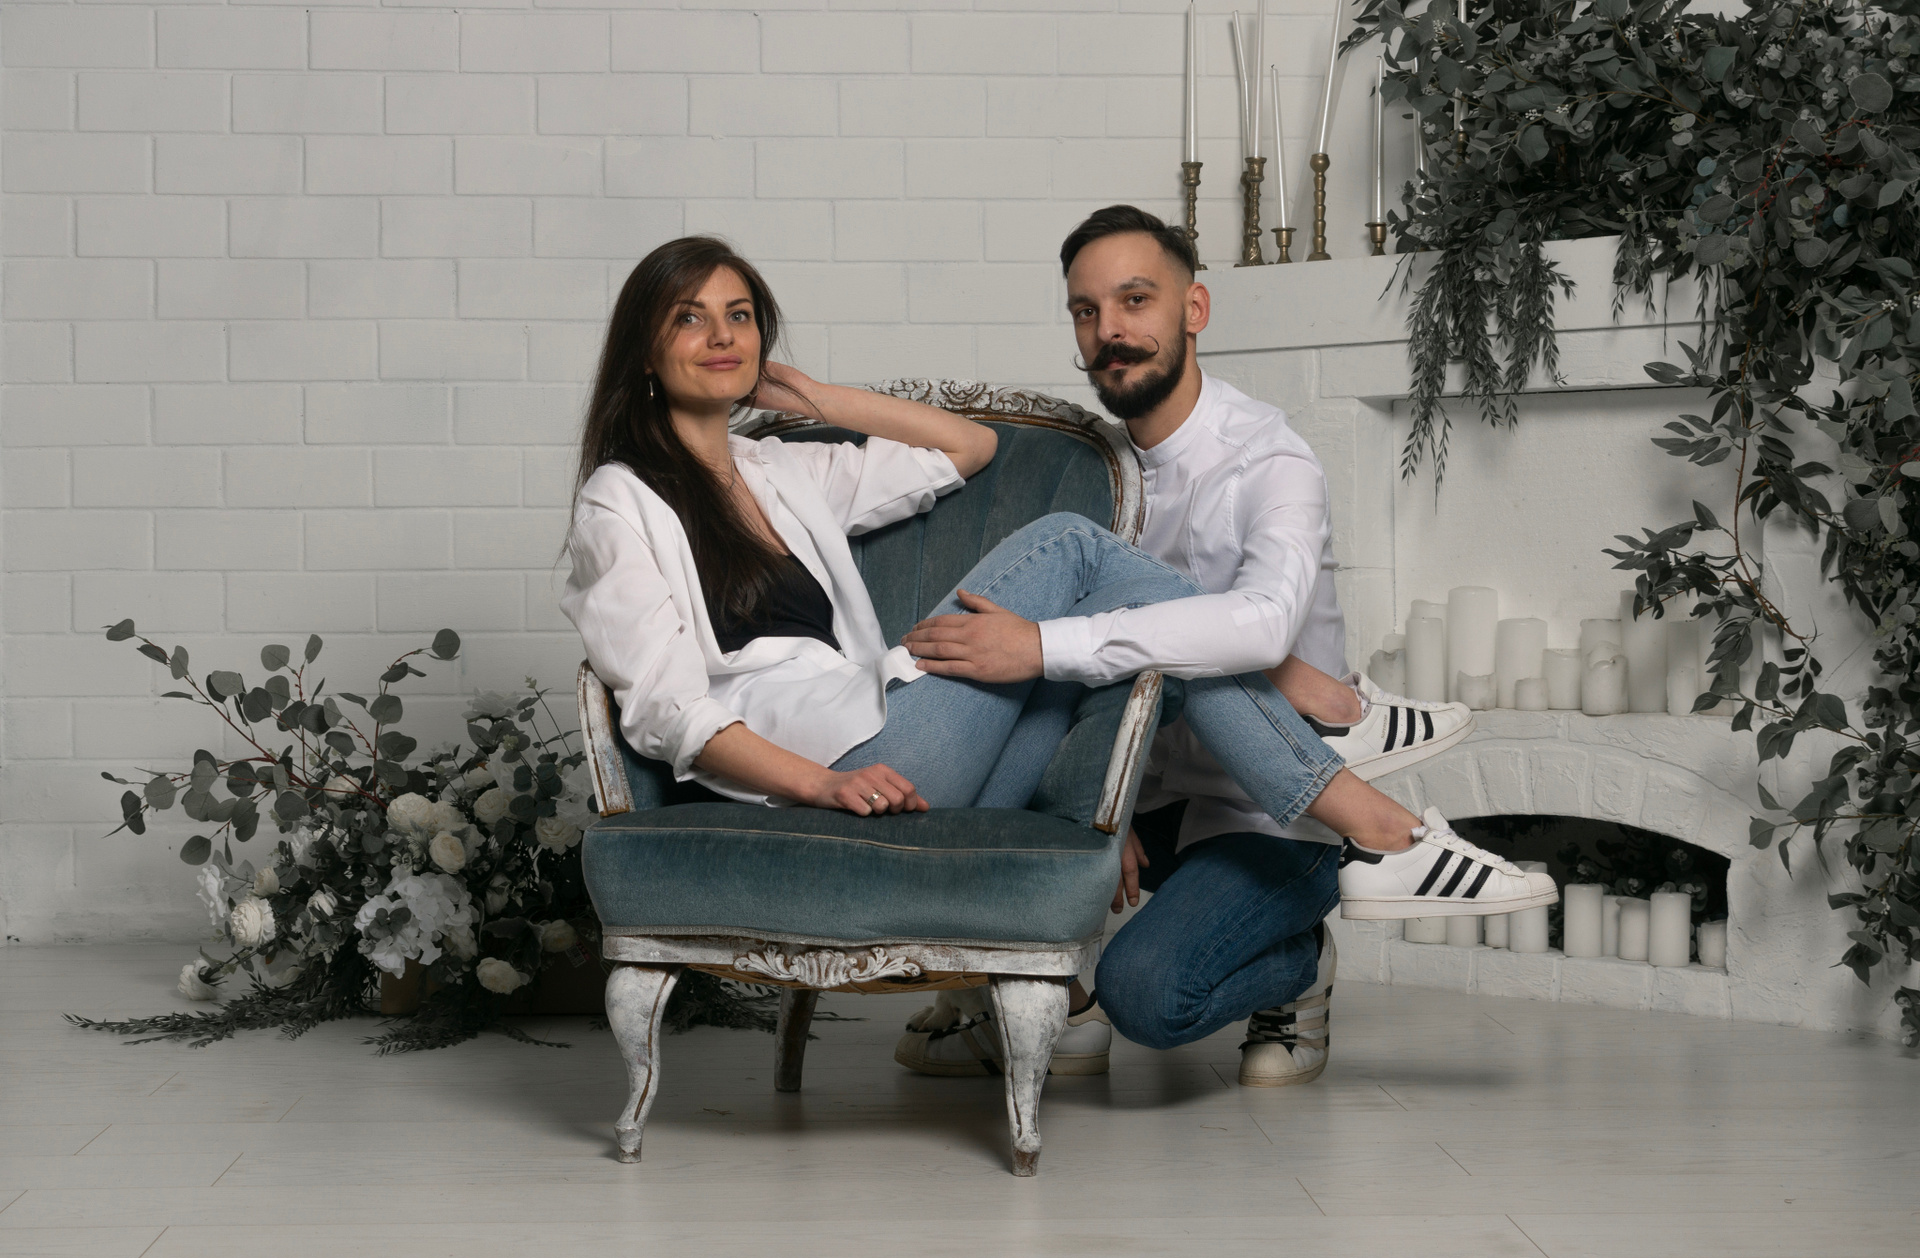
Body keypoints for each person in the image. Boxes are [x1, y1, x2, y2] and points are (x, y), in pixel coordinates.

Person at [561, 235, 1556, 1079]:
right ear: (645, 348)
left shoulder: (781, 469)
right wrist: (820, 783)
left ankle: (1337, 759)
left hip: (915, 753)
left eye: (740, 315)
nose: (724, 335)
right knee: (1075, 548)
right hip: (845, 757)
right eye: (691, 318)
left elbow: (966, 449)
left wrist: (819, 396)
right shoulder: (621, 501)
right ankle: (1344, 747)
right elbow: (667, 712)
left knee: (1093, 621)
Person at [892, 206, 1543, 1087]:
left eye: (1135, 301)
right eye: (1086, 311)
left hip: (1272, 809)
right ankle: (1048, 998)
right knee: (985, 779)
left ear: (1194, 309)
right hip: (1148, 794)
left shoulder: (1270, 460)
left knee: (1149, 998)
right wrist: (1099, 802)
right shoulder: (1092, 471)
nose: (1109, 331)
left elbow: (1262, 623)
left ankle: (1302, 964)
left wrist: (1040, 645)